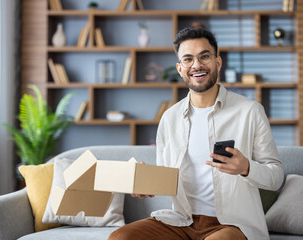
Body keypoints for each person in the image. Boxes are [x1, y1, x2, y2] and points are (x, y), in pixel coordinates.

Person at [108, 27, 284, 240]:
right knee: (120, 238)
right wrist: (147, 183)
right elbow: (167, 178)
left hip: (230, 225)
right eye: (188, 59)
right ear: (180, 68)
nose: (197, 65)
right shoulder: (169, 118)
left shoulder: (250, 111)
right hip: (181, 221)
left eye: (204, 56)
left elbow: (276, 177)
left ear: (217, 62)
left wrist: (246, 168)